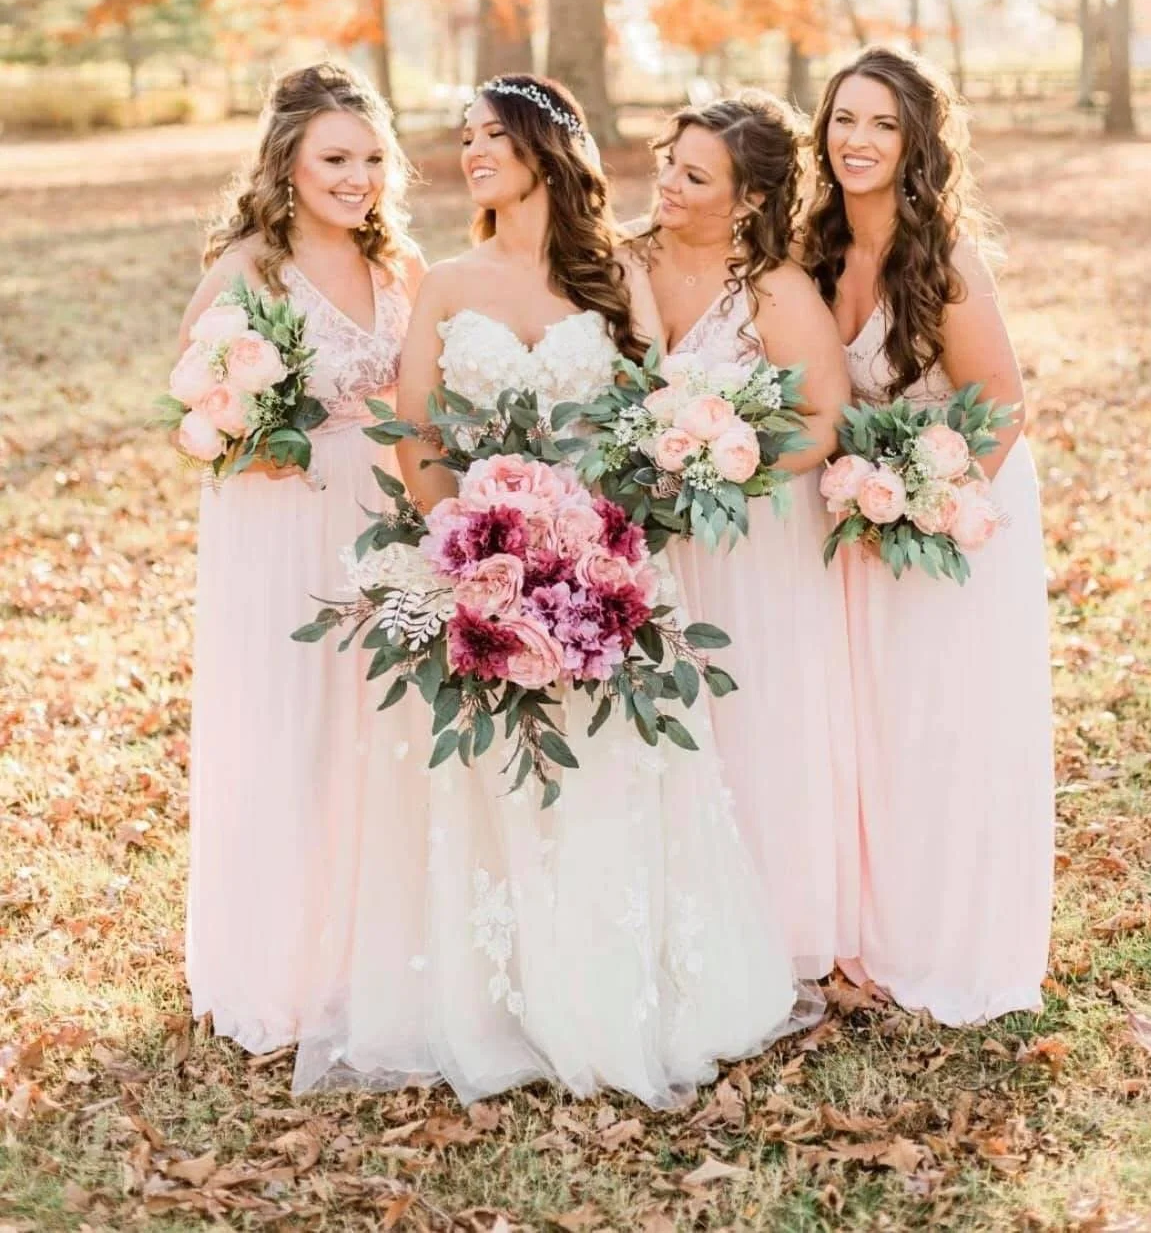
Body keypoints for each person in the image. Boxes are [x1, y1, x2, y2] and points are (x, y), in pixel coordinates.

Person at [291, 75, 818, 1106]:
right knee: (491, 785)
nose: (472, 152)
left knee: (609, 779)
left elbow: (649, 418)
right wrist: (469, 552)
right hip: (481, 564)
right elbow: (420, 433)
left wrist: (591, 547)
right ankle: (495, 1000)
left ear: (545, 147)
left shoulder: (617, 274)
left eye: (493, 135)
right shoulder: (447, 282)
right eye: (466, 137)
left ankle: (611, 988)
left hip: (602, 566)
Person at [803, 46, 1054, 1023]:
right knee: (874, 728)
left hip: (956, 515)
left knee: (944, 723)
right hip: (859, 515)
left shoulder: (943, 259)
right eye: (843, 119)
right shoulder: (818, 251)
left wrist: (925, 505)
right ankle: (874, 930)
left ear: (916, 144)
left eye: (882, 124)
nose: (857, 140)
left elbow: (1002, 402)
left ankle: (956, 943)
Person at [178, 61, 423, 1052]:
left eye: (372, 158)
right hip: (283, 521)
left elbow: (421, 390)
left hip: (385, 506)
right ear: (287, 163)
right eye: (335, 159)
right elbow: (196, 400)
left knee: (380, 722)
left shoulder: (400, 265)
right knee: (295, 722)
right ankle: (280, 961)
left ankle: (374, 948)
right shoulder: (249, 268)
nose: (358, 178)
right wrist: (258, 432)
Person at [638, 92, 858, 979]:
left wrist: (727, 464)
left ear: (750, 199)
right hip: (647, 531)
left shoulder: (774, 291)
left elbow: (825, 419)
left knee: (750, 720)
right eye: (669, 164)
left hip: (750, 538)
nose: (668, 185)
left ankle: (768, 923)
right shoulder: (622, 260)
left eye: (695, 177)